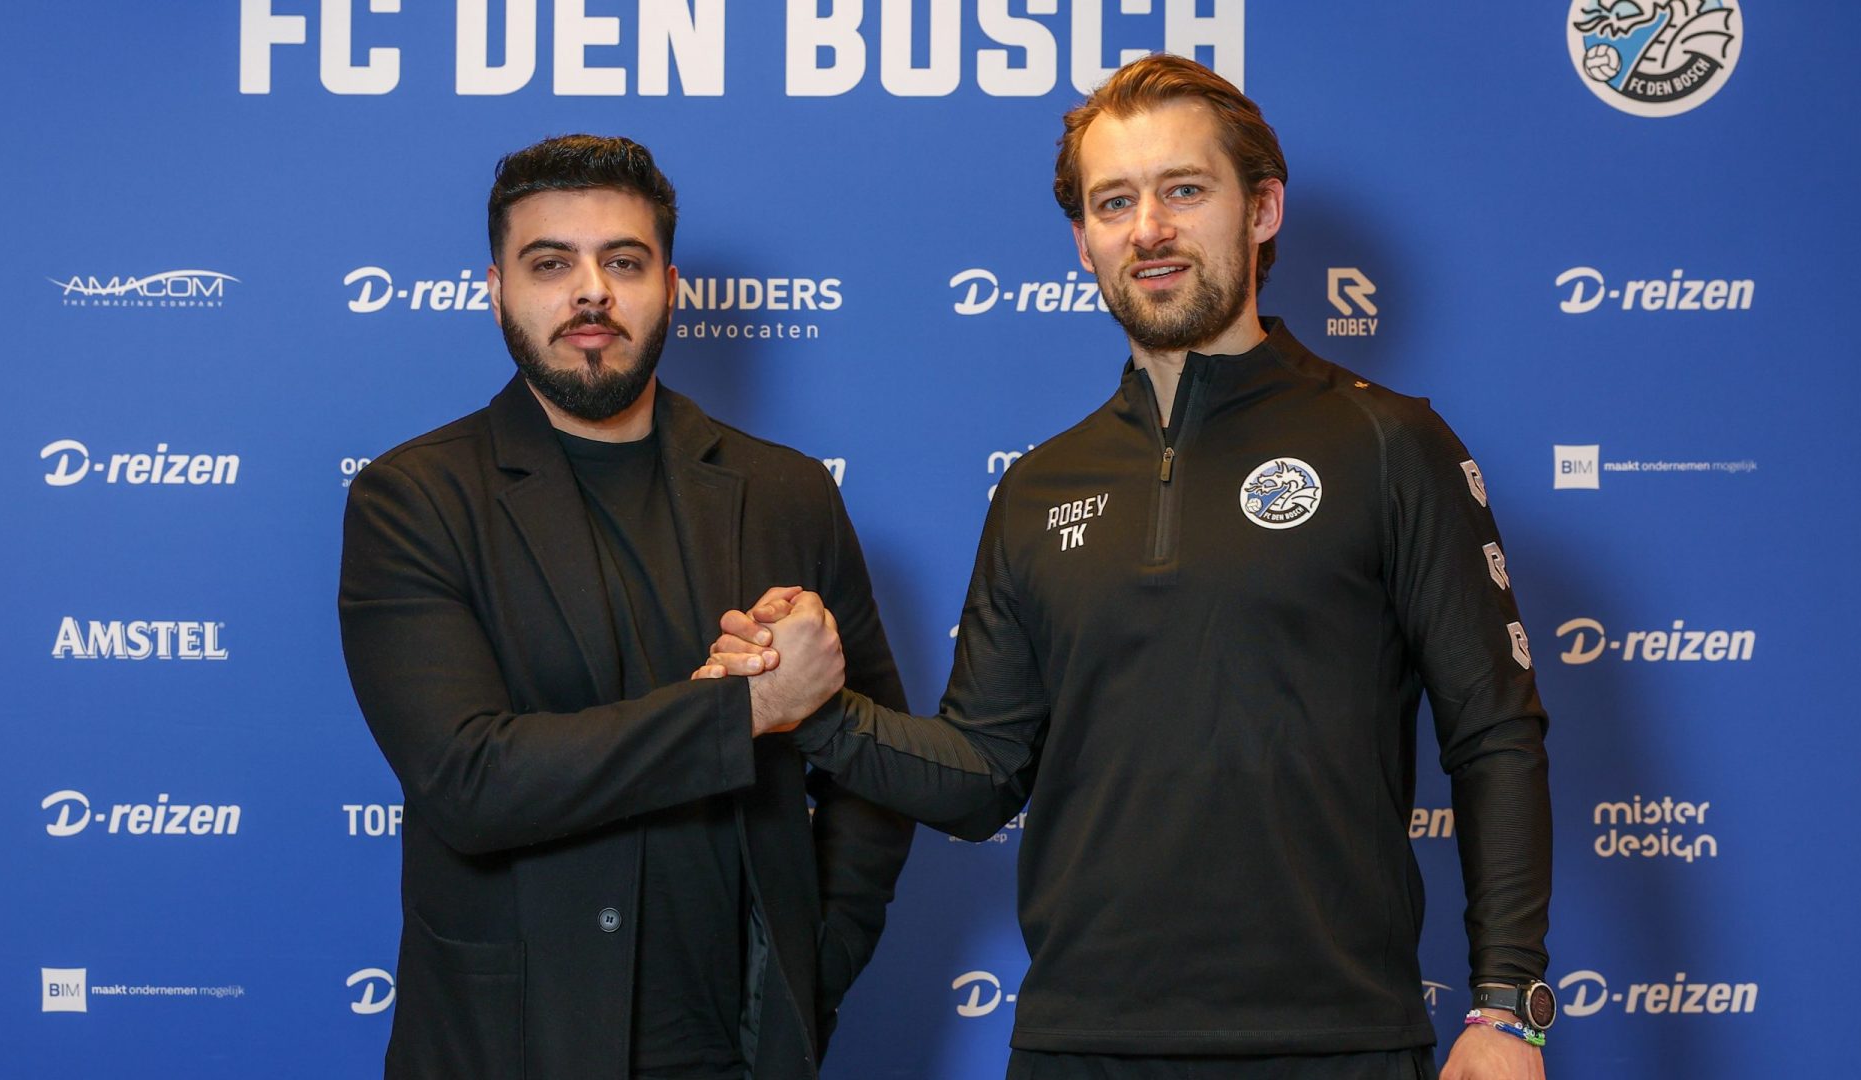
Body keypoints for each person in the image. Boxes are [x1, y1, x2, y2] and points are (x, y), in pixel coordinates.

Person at [703, 56, 1553, 1080]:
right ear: (1084, 241)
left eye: (1183, 190)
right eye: (1114, 202)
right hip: (1077, 1046)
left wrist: (1509, 1009)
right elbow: (981, 776)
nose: (1148, 229)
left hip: (1335, 1043)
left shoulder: (1389, 444)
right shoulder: (1038, 487)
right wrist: (817, 713)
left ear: (1263, 209)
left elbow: (1495, 735)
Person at [338, 134, 913, 1080]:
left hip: (737, 1049)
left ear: (671, 287)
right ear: (496, 289)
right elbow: (471, 782)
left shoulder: (788, 493)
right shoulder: (416, 499)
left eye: (624, 262)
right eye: (550, 263)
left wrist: (817, 962)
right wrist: (744, 709)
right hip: (512, 1048)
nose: (591, 292)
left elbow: (877, 768)